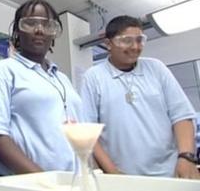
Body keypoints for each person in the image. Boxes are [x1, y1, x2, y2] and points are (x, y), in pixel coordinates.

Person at [80, 15, 200, 179]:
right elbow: (89, 132)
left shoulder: (157, 68)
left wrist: (186, 158)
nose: (135, 47)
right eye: (126, 40)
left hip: (170, 173)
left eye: (139, 40)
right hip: (124, 177)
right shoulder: (93, 77)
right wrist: (113, 173)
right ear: (108, 44)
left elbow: (182, 116)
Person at [0, 0, 82, 175]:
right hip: (30, 184)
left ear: (53, 34)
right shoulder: (1, 71)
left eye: (47, 25)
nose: (39, 30)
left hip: (74, 182)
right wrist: (46, 182)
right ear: (17, 30)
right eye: (30, 23)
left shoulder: (63, 79)